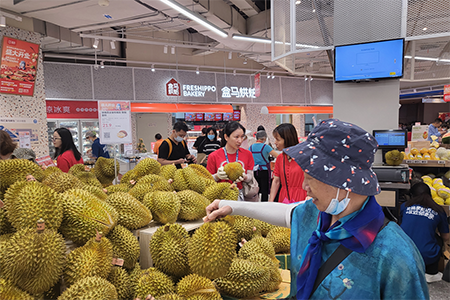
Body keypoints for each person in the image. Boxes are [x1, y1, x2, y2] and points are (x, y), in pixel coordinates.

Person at [204, 119, 429, 300]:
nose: (304, 187)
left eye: (311, 178)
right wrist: (230, 206)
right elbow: (285, 213)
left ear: (344, 180)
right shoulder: (317, 214)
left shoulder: (396, 256)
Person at [400, 182, 449, 283]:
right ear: (430, 195)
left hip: (403, 255)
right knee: (438, 240)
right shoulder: (439, 210)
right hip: (426, 256)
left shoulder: (404, 206)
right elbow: (446, 236)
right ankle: (431, 273)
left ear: (412, 196)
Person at [206, 121, 255, 201]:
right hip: (219, 196)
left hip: (239, 194)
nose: (240, 140)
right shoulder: (213, 156)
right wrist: (217, 176)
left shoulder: (248, 154)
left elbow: (250, 176)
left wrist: (245, 177)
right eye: (236, 137)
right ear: (226, 137)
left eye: (242, 137)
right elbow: (207, 180)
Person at [268, 123, 307, 203]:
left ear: (287, 139)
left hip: (302, 197)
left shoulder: (304, 157)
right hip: (284, 197)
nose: (275, 142)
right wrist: (270, 201)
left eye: (278, 139)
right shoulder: (280, 158)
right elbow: (276, 180)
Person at [249, 130, 279, 201]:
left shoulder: (251, 147)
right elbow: (277, 156)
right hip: (264, 170)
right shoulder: (266, 147)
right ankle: (264, 204)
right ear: (265, 138)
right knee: (265, 190)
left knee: (256, 189)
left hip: (254, 171)